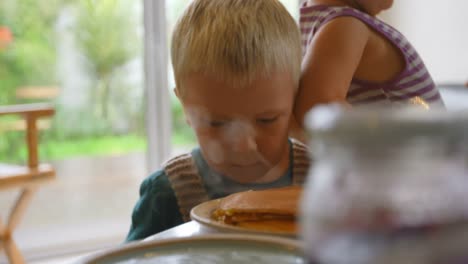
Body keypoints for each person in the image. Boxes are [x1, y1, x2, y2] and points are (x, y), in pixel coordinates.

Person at [125, 0, 310, 242]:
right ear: (185, 106)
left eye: (267, 120)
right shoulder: (168, 193)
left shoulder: (322, 179)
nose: (244, 147)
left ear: (295, 96)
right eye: (216, 123)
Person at [293, 0, 445, 134]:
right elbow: (316, 106)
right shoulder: (347, 25)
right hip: (408, 161)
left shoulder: (308, 23)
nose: (389, 4)